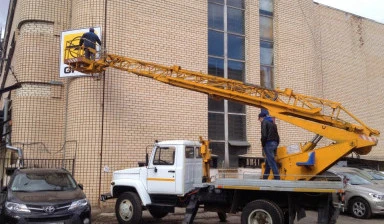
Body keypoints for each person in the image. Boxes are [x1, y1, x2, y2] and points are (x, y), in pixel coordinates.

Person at [259, 112, 280, 180]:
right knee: (268, 161)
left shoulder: (264, 122)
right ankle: (265, 177)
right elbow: (277, 135)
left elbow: (264, 135)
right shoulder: (273, 123)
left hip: (268, 143)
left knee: (272, 162)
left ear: (262, 117)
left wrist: (263, 144)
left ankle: (277, 178)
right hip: (275, 143)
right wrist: (277, 143)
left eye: (259, 119)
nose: (259, 121)